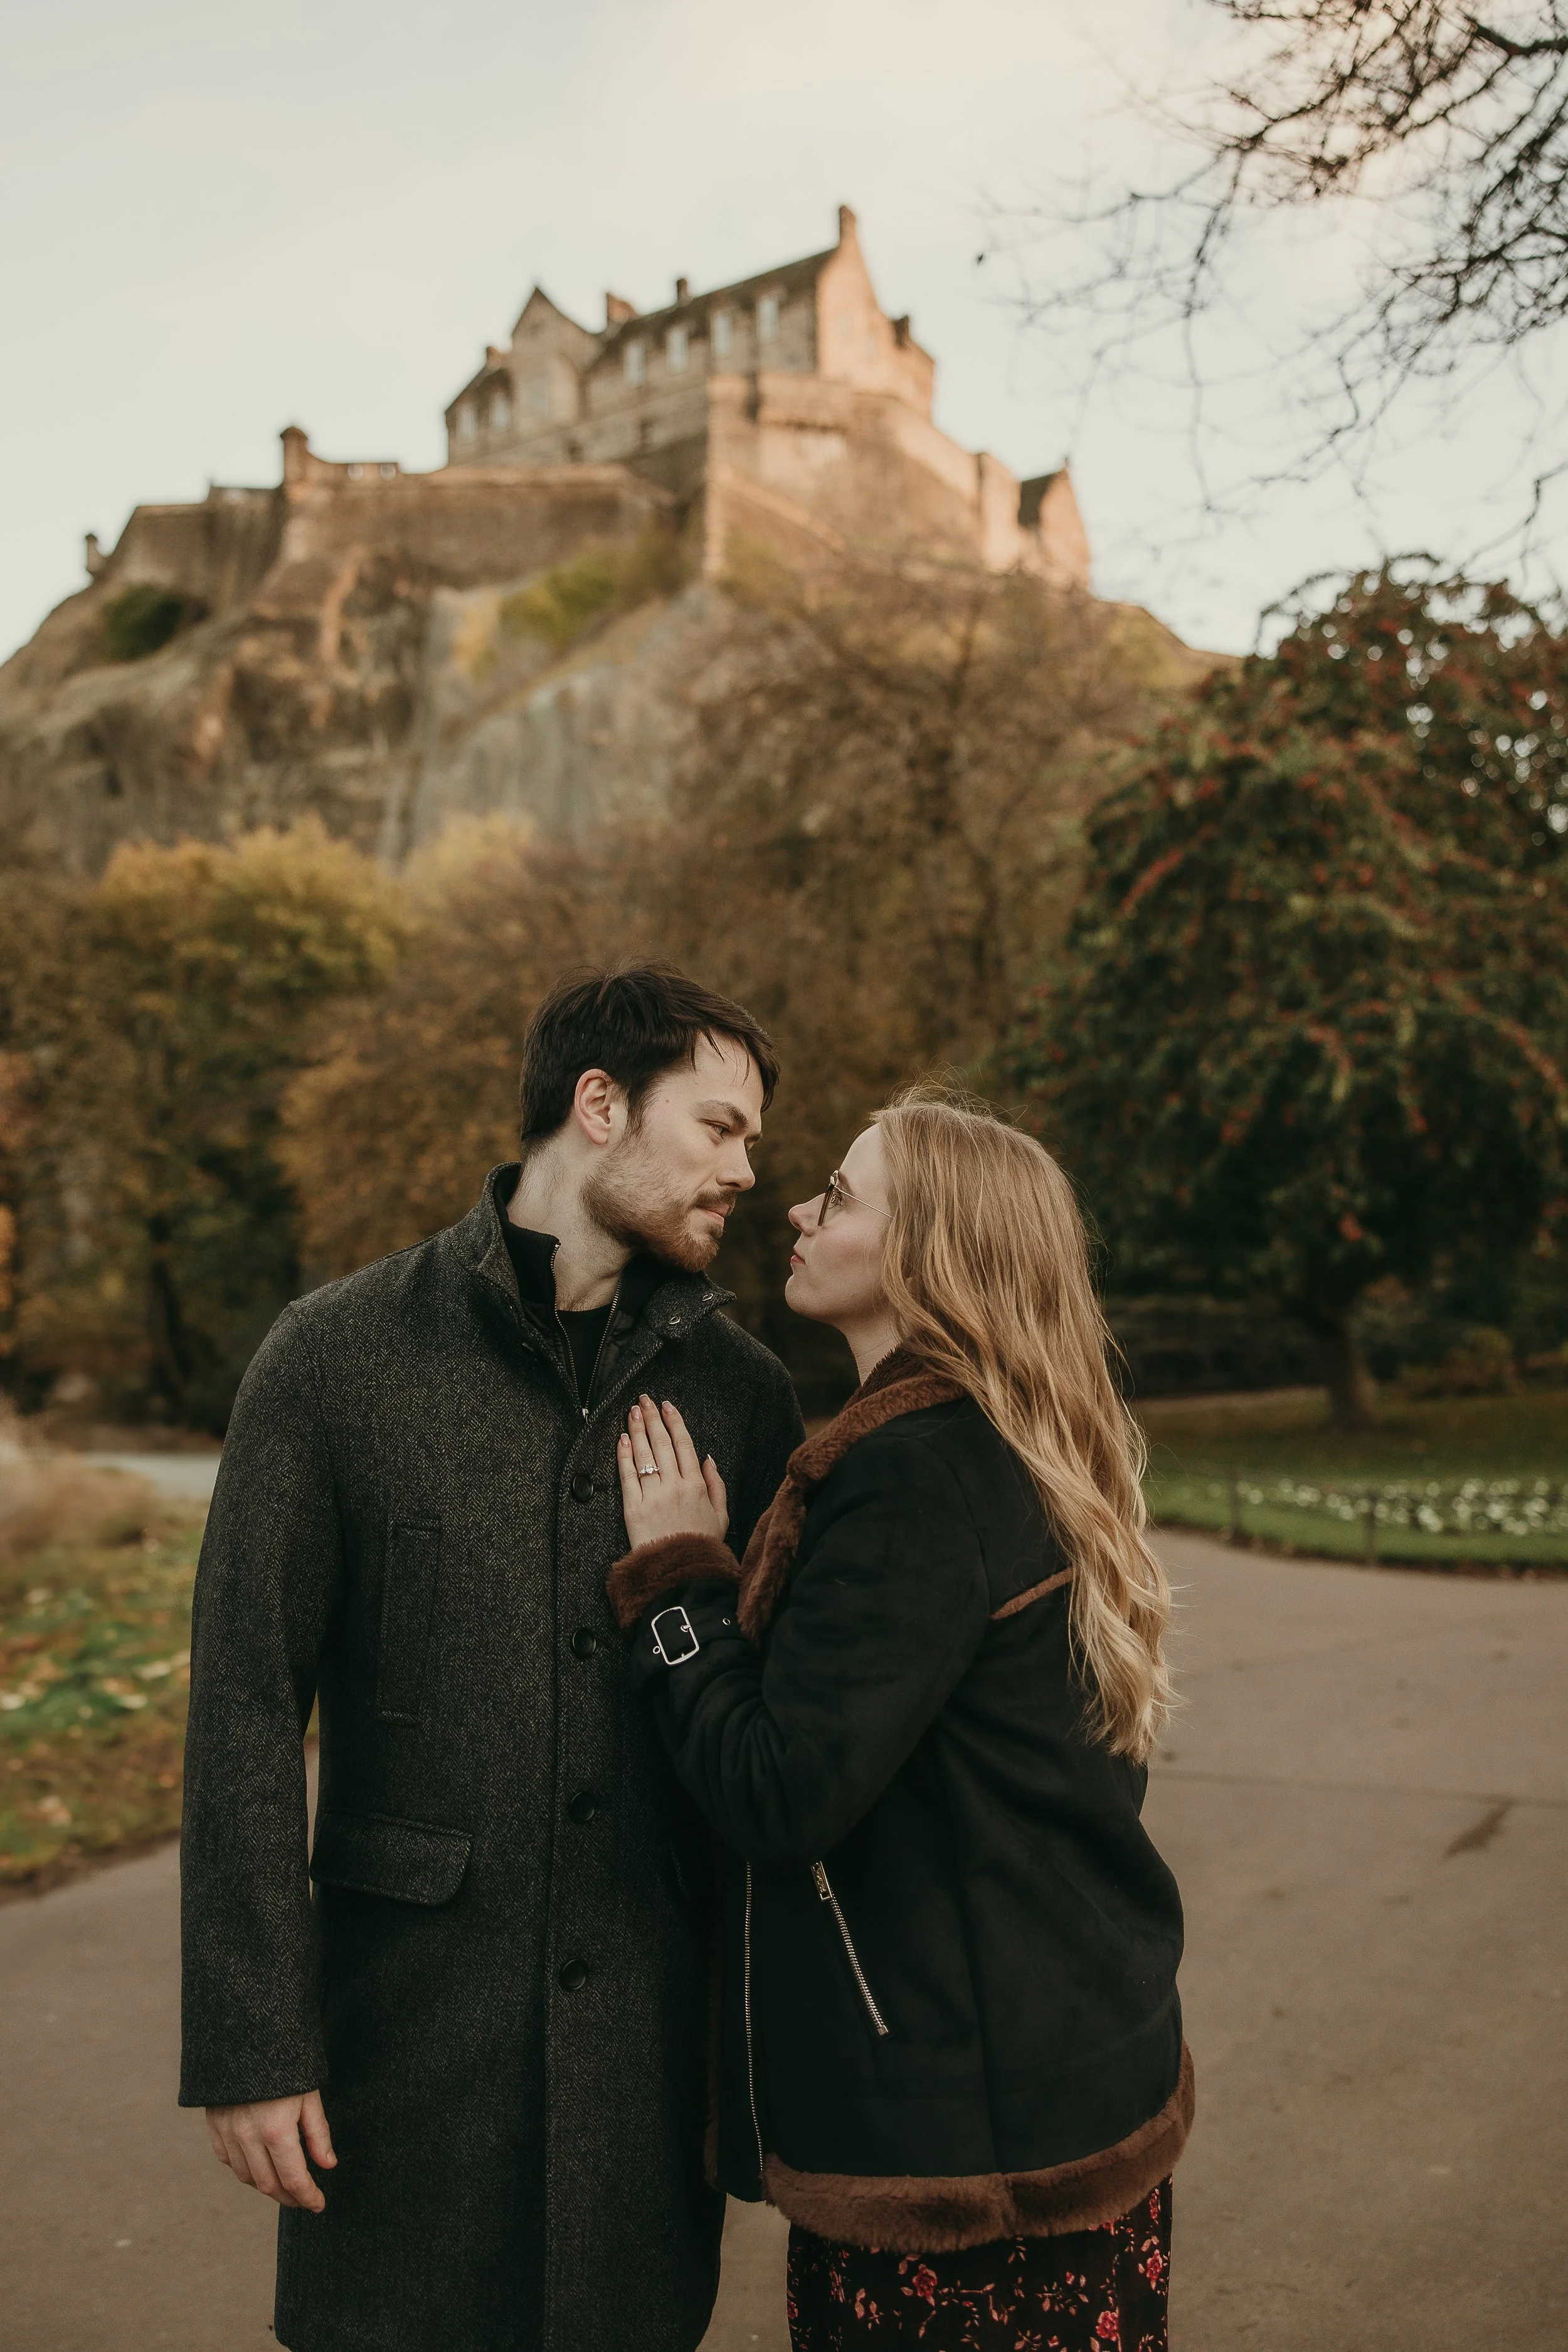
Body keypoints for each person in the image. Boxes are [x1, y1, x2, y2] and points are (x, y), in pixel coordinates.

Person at [179, 965, 805, 2352]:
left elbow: (776, 1732)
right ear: (597, 1106)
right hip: (401, 2053)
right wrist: (251, 2043)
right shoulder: (332, 1358)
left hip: (643, 2060)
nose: (745, 1171)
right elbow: (241, 1706)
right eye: (717, 1128)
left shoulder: (741, 1393)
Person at [608, 1093, 1191, 2352]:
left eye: (841, 1196)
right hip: (1067, 2082)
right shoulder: (1010, 1443)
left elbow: (777, 1792)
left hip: (965, 2159)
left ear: (923, 1256)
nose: (798, 1212)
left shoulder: (910, 1478)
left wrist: (675, 1583)